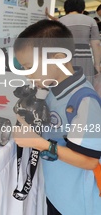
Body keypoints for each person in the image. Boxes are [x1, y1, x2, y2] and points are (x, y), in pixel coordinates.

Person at [13, 19, 101, 215]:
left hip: (78, 206)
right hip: (56, 195)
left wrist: (41, 144)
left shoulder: (84, 101)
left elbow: (90, 162)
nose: (27, 75)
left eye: (29, 67)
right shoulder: (52, 89)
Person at [45, 0, 101, 84]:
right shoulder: (91, 21)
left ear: (66, 8)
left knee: (66, 87)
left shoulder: (60, 21)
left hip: (65, 60)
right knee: (86, 87)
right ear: (82, 9)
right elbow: (96, 44)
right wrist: (97, 65)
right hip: (85, 60)